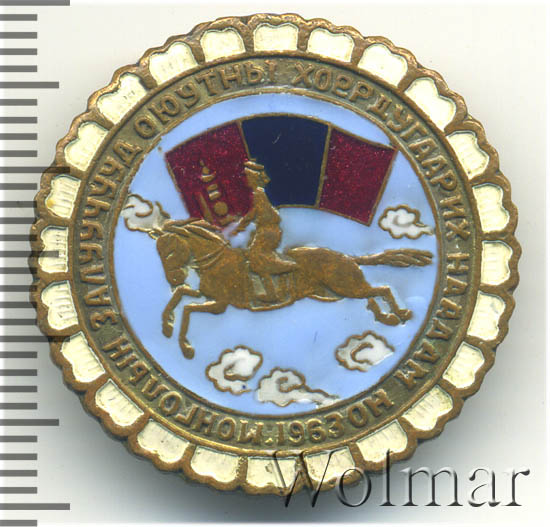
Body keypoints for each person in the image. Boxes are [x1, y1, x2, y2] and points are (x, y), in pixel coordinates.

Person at [231, 160, 296, 302]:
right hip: (268, 230)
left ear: (253, 178)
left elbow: (255, 213)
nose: (245, 180)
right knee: (260, 258)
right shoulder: (260, 193)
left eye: (247, 177)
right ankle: (280, 284)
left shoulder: (258, 193)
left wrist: (240, 225)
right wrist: (242, 225)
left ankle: (286, 274)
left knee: (256, 259)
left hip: (268, 231)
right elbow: (256, 212)